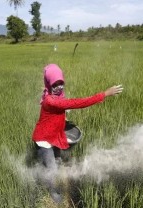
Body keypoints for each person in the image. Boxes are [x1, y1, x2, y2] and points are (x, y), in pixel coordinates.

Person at [32, 63, 123, 203]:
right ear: (49, 84)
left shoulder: (55, 95)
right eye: (55, 84)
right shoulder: (50, 100)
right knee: (51, 169)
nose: (59, 86)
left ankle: (54, 168)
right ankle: (54, 195)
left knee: (56, 160)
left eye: (61, 83)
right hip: (44, 139)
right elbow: (77, 103)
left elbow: (59, 111)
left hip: (53, 135)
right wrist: (104, 94)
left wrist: (63, 119)